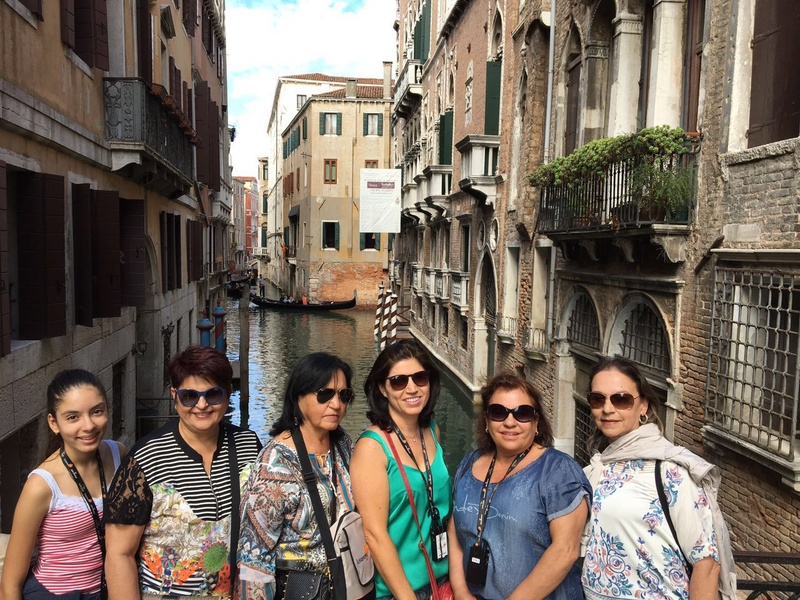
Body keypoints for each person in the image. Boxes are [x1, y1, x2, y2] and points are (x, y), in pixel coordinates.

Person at [104, 346, 262, 599]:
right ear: (174, 396)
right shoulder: (145, 458)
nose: (202, 405)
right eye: (190, 396)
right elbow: (119, 554)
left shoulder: (248, 445)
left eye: (213, 394)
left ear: (227, 393)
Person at [581, 356, 736, 600]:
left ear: (643, 406)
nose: (608, 409)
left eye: (621, 399)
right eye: (598, 399)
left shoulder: (670, 471)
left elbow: (706, 564)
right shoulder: (600, 464)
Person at [448, 373, 590, 600]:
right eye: (498, 412)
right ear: (487, 421)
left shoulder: (558, 471)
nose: (510, 422)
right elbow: (455, 531)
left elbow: (565, 551)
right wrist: (461, 591)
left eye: (522, 413)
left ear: (536, 423)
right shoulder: (469, 463)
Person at [236, 352, 359, 598]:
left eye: (343, 395)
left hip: (348, 583)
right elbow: (255, 560)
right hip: (302, 590)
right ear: (298, 396)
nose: (336, 404)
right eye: (324, 394)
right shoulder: (274, 466)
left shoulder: (342, 443)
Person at [0, 369, 126, 600]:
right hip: (56, 594)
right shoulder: (41, 485)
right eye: (73, 417)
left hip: (111, 588)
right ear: (54, 423)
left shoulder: (117, 454)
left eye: (96, 411)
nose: (88, 425)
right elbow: (10, 582)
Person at [351, 339, 452, 600]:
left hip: (443, 583)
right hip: (398, 592)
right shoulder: (372, 447)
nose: (412, 388)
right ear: (382, 389)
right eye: (398, 381)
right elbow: (375, 535)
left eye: (420, 378)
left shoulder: (432, 431)